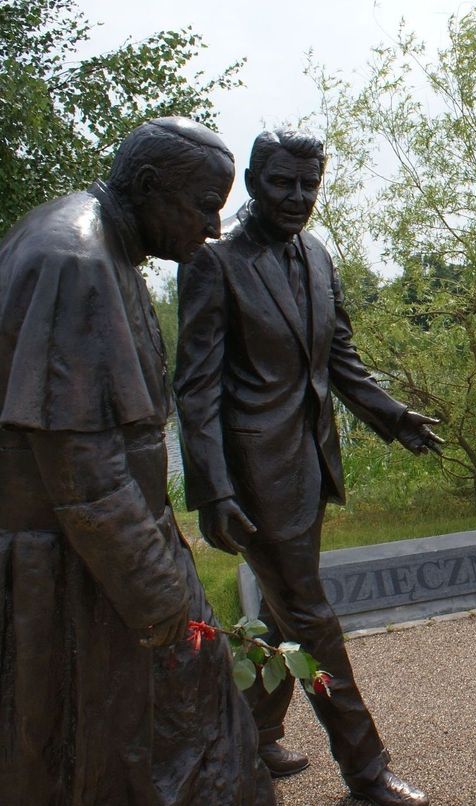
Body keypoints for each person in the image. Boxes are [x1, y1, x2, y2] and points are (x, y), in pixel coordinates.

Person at [0, 118, 273, 804]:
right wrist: (169, 614)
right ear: (149, 188)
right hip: (73, 578)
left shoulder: (102, 251)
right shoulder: (76, 261)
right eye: (202, 205)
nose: (214, 228)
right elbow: (89, 482)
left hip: (100, 560)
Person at [175, 129, 440, 806]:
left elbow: (339, 360)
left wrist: (394, 417)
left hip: (311, 465)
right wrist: (212, 487)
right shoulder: (215, 263)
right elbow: (197, 388)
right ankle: (366, 769)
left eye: (308, 185)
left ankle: (254, 734)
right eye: (281, 184)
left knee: (282, 612)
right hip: (254, 478)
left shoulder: (317, 257)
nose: (297, 198)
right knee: (311, 617)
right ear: (254, 184)